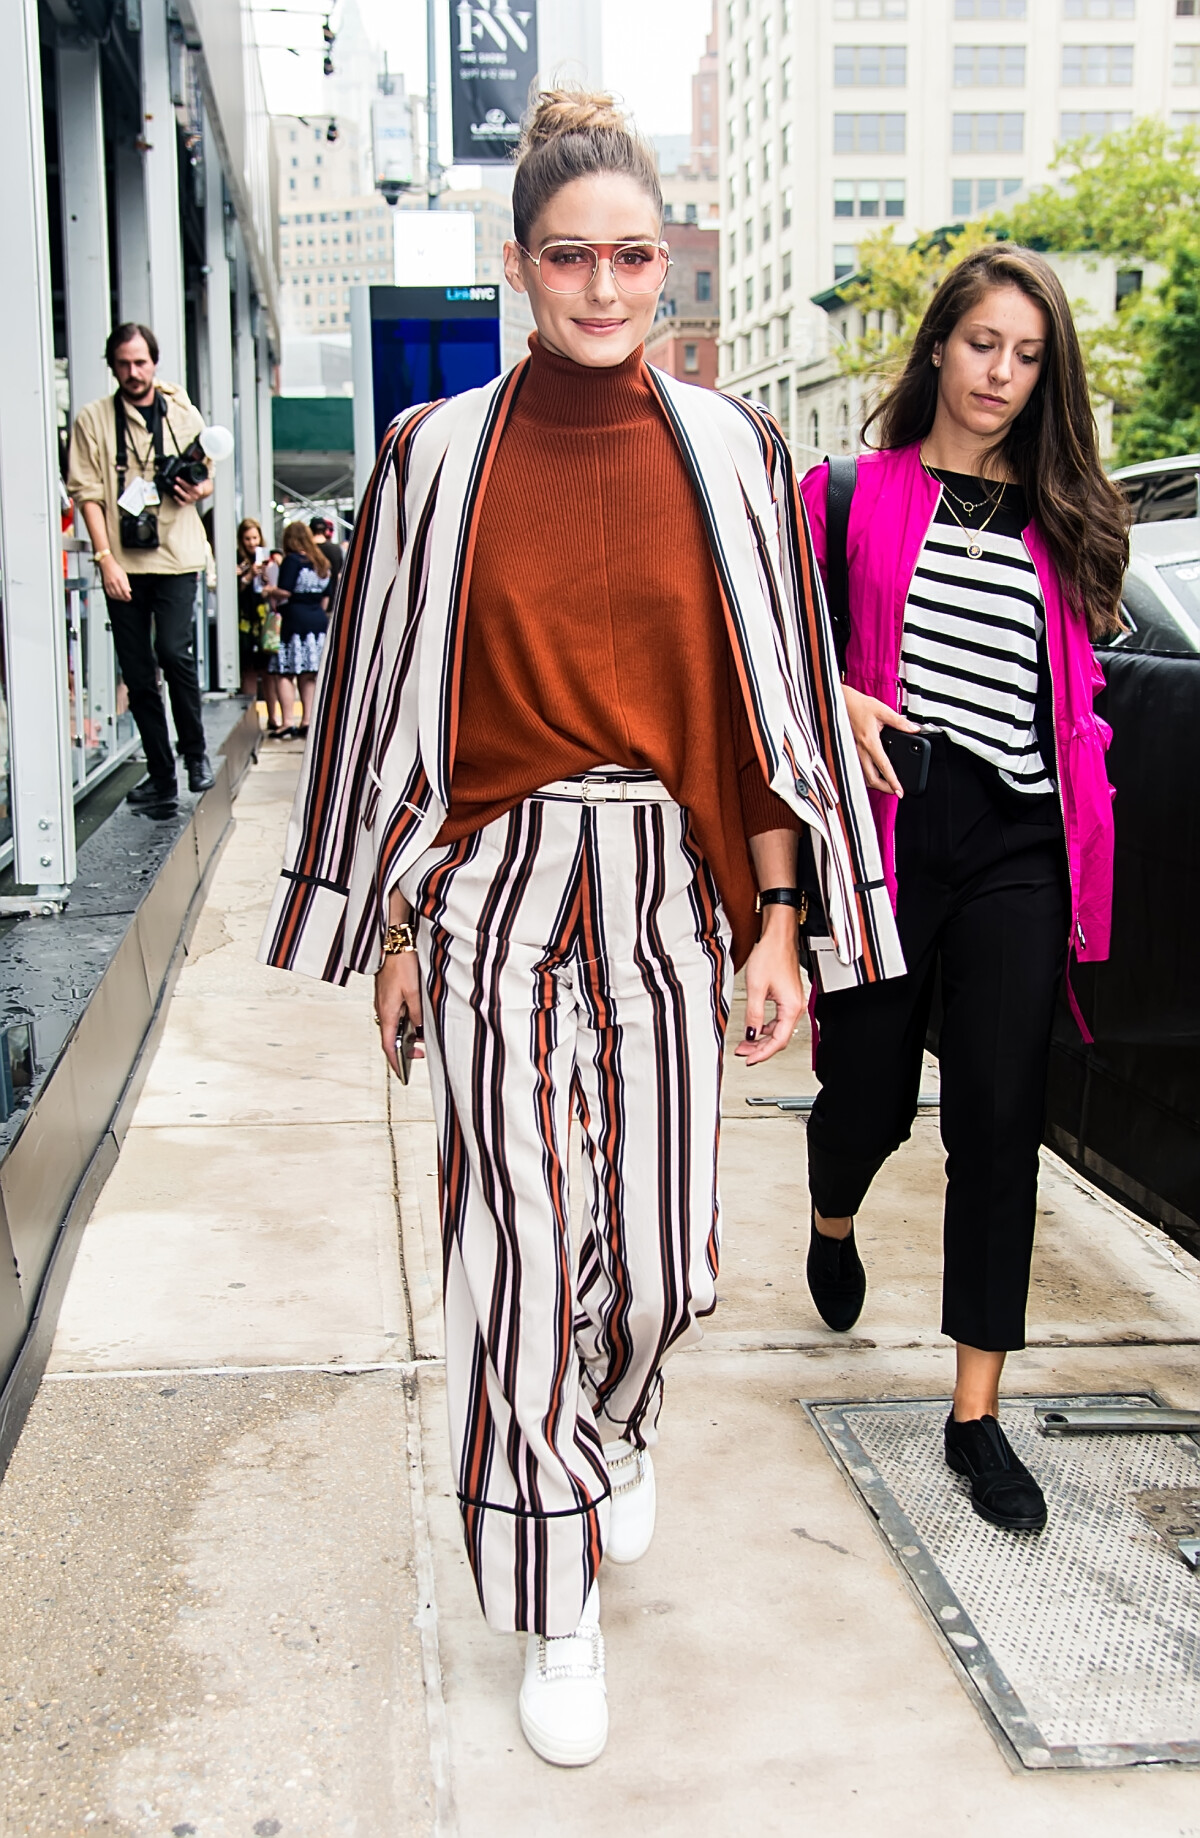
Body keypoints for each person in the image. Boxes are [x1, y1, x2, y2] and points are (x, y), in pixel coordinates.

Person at [260, 90, 900, 1766]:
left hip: (677, 891)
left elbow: (757, 713)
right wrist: (396, 922)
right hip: (497, 887)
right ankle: (556, 1603)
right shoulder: (433, 457)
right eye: (571, 257)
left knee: (671, 1255)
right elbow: (389, 705)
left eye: (630, 255)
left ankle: (618, 1427)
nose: (603, 286)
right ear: (518, 264)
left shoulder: (741, 453)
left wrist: (779, 916)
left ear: (664, 261)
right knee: (526, 1249)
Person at [799, 245, 1128, 1535]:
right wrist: (835, 692)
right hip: (892, 822)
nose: (1002, 372)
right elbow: (783, 652)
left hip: (1019, 840)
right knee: (867, 1091)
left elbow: (1083, 687)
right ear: (939, 345)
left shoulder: (1067, 513)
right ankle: (834, 1212)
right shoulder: (851, 492)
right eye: (984, 342)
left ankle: (977, 1413)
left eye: (1029, 353)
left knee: (999, 1116)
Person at [67, 323, 216, 819]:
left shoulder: (180, 410)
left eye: (142, 363)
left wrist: (198, 489)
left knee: (173, 652)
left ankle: (194, 754)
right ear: (112, 366)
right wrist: (104, 557)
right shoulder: (93, 419)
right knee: (137, 672)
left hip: (177, 551)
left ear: (155, 363)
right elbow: (86, 494)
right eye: (124, 364)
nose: (134, 372)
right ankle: (161, 774)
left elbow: (206, 475)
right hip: (124, 562)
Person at [268, 522, 331, 738]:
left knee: (285, 671)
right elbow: (326, 599)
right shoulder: (321, 562)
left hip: (294, 620)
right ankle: (308, 721)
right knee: (309, 674)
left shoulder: (292, 560)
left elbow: (285, 591)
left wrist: (269, 591)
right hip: (318, 620)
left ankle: (287, 722)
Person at [237, 519, 295, 736]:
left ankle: (274, 717)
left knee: (270, 670)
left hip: (268, 620)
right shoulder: (237, 561)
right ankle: (251, 719)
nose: (252, 543)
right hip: (246, 620)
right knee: (250, 670)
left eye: (255, 537)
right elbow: (235, 589)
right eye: (247, 538)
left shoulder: (270, 558)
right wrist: (248, 575)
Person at [308, 514, 343, 596]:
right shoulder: (336, 549)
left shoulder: (306, 551)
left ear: (310, 530)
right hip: (332, 599)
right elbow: (339, 572)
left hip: (311, 601)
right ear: (326, 531)